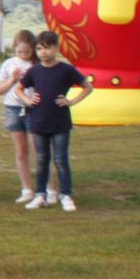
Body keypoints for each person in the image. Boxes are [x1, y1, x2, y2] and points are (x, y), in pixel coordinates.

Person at [16, 29, 93, 211]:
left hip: (60, 122)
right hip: (38, 121)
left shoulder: (66, 69)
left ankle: (66, 195)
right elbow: (18, 88)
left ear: (56, 48)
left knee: (60, 159)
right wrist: (28, 100)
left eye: (47, 48)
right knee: (42, 159)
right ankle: (40, 195)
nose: (43, 52)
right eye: (40, 49)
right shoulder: (34, 71)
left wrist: (71, 101)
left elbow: (87, 87)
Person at [0, 29, 39, 204]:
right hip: (13, 109)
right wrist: (12, 80)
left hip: (32, 109)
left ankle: (48, 188)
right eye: (19, 51)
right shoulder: (8, 64)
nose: (23, 55)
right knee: (21, 150)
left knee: (38, 150)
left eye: (27, 52)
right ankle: (26, 189)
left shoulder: (36, 65)